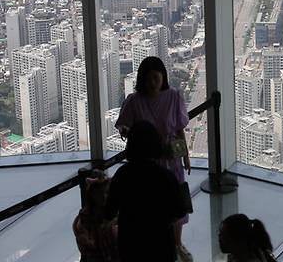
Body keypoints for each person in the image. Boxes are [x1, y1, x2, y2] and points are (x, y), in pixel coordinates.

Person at [114, 56, 193, 262]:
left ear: (163, 77)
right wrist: (126, 131)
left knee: (175, 202)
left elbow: (178, 129)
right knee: (150, 203)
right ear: (142, 79)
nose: (153, 83)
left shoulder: (174, 97)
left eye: (157, 78)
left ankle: (176, 243)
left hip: (170, 158)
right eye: (149, 79)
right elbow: (124, 126)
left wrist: (185, 156)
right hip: (145, 160)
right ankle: (161, 244)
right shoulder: (134, 101)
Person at [105, 120, 186, 262]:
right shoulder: (166, 176)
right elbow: (179, 211)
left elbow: (109, 212)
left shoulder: (122, 175)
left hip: (131, 246)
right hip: (161, 246)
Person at [73, 170, 119, 262]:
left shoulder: (116, 214)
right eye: (98, 192)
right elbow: (88, 249)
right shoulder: (84, 219)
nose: (103, 196)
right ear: (91, 194)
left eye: (106, 192)